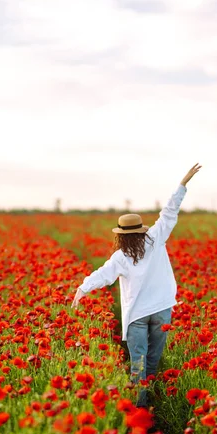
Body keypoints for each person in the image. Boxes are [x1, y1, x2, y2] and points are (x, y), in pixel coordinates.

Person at [71, 163, 202, 408]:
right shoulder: (155, 238)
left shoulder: (120, 257)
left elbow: (103, 275)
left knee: (137, 363)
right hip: (162, 309)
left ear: (120, 235)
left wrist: (83, 288)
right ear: (141, 231)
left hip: (137, 316)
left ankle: (140, 408)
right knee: (152, 360)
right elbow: (169, 212)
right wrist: (182, 184)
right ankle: (151, 401)